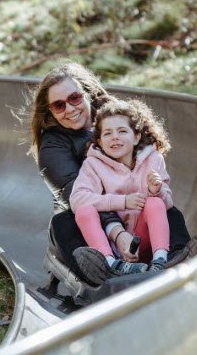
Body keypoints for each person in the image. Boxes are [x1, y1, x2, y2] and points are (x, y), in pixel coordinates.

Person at [28, 60, 197, 286]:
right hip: (89, 222)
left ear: (86, 94)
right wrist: (117, 234)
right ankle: (105, 271)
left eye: (74, 98)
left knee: (164, 207)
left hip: (135, 215)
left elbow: (147, 160)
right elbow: (77, 197)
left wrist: (152, 190)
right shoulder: (53, 147)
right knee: (65, 223)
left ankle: (174, 257)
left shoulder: (116, 116)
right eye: (59, 105)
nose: (70, 109)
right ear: (50, 111)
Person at [70, 98, 174, 284]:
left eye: (122, 131)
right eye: (107, 133)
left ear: (136, 137)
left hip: (144, 240)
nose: (115, 137)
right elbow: (77, 198)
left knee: (155, 202)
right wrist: (123, 201)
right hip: (110, 243)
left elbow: (169, 205)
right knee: (84, 210)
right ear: (100, 141)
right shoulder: (93, 164)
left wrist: (156, 191)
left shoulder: (154, 159)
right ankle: (110, 265)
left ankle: (160, 261)